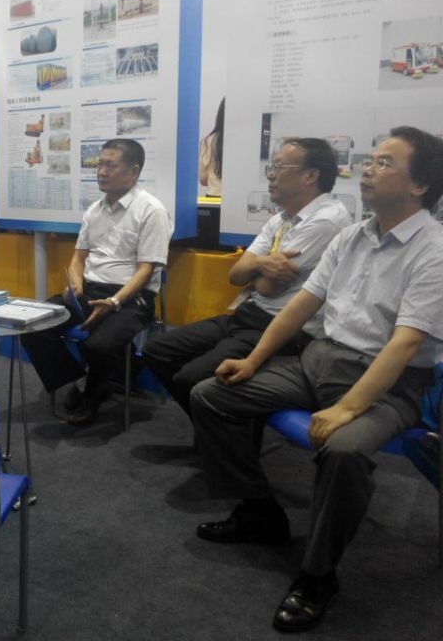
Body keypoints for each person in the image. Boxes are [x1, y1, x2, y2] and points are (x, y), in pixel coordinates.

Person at [189, 126, 443, 633]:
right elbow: (303, 304)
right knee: (211, 395)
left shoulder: (433, 249)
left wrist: (348, 408)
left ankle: (318, 576)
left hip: (388, 382)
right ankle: (260, 512)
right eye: (371, 159)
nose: (368, 169)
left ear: (420, 185)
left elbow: (405, 344)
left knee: (343, 449)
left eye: (385, 162)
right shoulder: (352, 235)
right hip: (319, 360)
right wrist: (255, 360)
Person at [143, 138, 351, 418]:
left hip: (283, 328)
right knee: (158, 349)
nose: (271, 174)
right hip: (248, 314)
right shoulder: (282, 218)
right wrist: (262, 264)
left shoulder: (326, 221)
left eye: (279, 167)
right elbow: (236, 274)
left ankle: (223, 427)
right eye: (272, 166)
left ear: (310, 176)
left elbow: (268, 287)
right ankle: (214, 424)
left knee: (190, 378)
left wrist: (255, 270)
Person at [21, 138, 172, 425]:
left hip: (132, 298)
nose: (101, 171)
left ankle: (93, 394)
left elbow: (146, 271)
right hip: (90, 290)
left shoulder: (151, 211)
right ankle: (75, 382)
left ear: (134, 171)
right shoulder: (94, 210)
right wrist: (75, 282)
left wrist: (114, 302)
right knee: (33, 325)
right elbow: (78, 258)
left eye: (110, 165)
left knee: (99, 346)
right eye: (99, 164)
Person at [199, 98, 224, 197]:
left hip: (213, 199)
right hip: (237, 199)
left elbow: (203, 179)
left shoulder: (207, 141)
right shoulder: (243, 141)